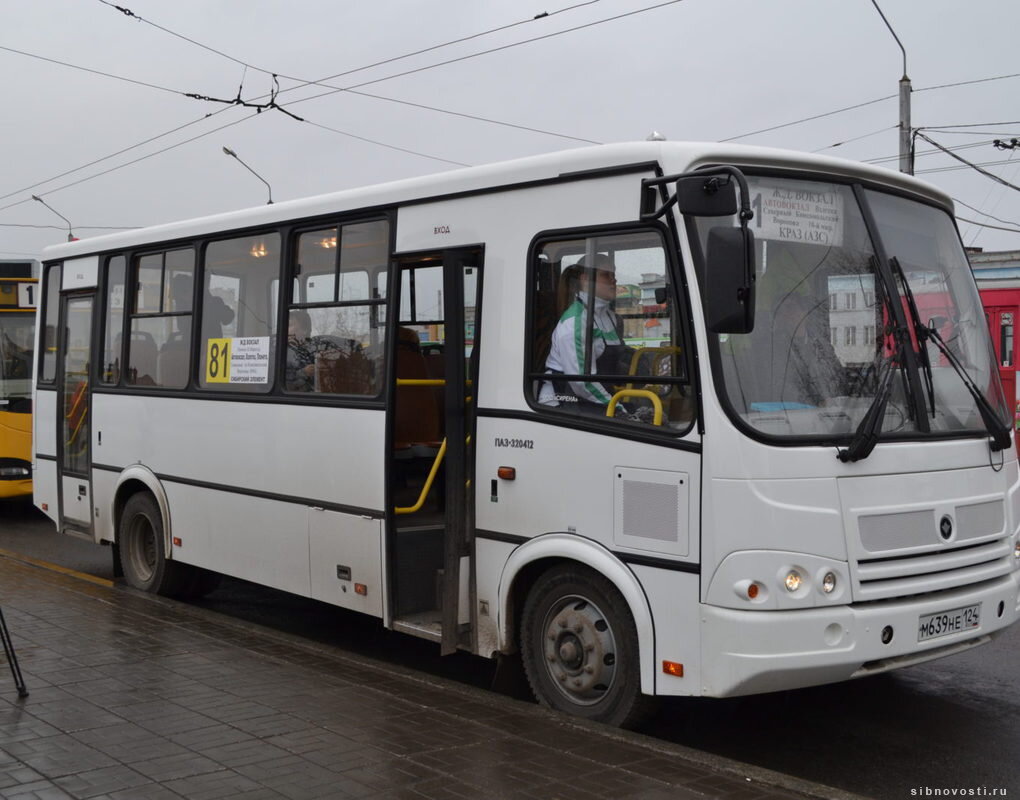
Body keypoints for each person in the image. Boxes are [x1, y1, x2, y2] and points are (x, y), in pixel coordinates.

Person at [538, 254, 631, 413]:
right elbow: (582, 383)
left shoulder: (609, 317)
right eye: (605, 275)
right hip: (562, 405)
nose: (613, 280)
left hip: (593, 400)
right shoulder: (575, 322)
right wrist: (618, 409)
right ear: (585, 279)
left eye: (613, 275)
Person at [286, 309, 318, 391]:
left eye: (289, 325)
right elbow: (284, 384)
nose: (285, 329)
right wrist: (304, 373)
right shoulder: (281, 352)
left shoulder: (315, 349)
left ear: (304, 330)